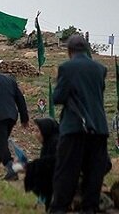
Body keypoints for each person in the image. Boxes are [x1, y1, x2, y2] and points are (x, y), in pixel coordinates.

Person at [49, 35, 109, 213]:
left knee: (67, 170)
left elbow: (57, 98)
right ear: (87, 49)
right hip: (98, 127)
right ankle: (90, 207)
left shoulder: (66, 68)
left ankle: (60, 207)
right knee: (94, 171)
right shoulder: (101, 68)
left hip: (74, 127)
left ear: (69, 51)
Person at [22, 118, 59, 211]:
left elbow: (52, 162)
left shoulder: (56, 143)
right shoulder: (48, 144)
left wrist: (30, 166)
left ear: (45, 130)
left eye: (38, 131)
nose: (35, 134)